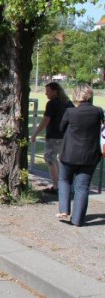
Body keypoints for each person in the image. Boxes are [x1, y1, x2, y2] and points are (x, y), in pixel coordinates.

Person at [56, 84, 104, 226]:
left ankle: (64, 210)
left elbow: (61, 129)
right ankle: (78, 219)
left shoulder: (70, 112)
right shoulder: (98, 111)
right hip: (90, 155)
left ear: (76, 96)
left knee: (64, 180)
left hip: (70, 154)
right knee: (82, 187)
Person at [30, 82, 74, 194]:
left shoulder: (52, 103)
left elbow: (46, 120)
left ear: (55, 91)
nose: (46, 93)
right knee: (58, 159)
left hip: (54, 136)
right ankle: (62, 183)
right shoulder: (68, 103)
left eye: (48, 91)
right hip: (65, 136)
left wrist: (35, 133)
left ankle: (56, 186)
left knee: (49, 158)